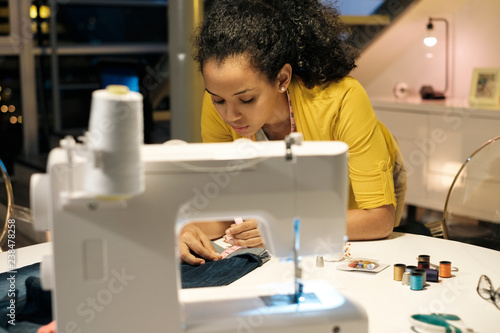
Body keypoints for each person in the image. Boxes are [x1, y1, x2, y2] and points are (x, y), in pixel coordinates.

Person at [179, 0, 406, 265]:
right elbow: (229, 207)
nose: (230, 115)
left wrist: (285, 227)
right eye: (218, 100)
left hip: (359, 199)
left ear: (282, 79)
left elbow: (378, 220)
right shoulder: (220, 101)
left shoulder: (344, 98)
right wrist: (188, 228)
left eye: (248, 99)